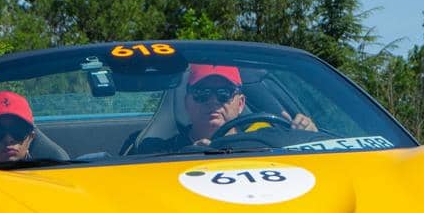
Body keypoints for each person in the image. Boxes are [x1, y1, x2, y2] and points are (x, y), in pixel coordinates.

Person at [134, 63, 315, 153]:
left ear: (241, 103)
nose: (213, 101)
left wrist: (311, 136)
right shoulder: (160, 150)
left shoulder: (268, 139)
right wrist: (185, 157)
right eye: (202, 93)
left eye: (224, 93)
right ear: (186, 102)